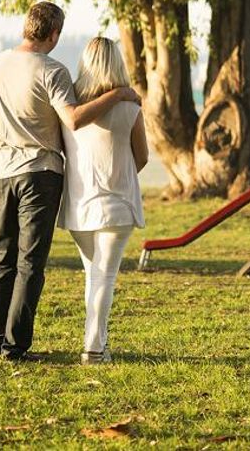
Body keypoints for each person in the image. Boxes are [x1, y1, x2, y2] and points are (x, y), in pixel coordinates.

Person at [0, 2, 139, 361]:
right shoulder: (52, 70)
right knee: (30, 262)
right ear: (54, 33)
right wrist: (119, 94)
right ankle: (15, 346)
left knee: (2, 258)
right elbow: (74, 119)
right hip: (39, 172)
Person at [58, 37, 148, 365]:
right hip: (117, 205)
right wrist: (120, 171)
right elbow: (143, 157)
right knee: (104, 276)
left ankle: (98, 343)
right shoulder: (131, 108)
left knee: (94, 274)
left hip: (80, 205)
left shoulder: (69, 109)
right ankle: (94, 348)